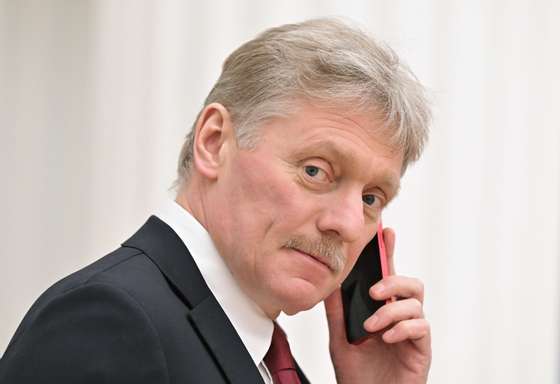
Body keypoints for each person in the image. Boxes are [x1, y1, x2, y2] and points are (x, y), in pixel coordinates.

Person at [0, 18, 431, 383]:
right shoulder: (107, 322)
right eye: (315, 171)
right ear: (213, 142)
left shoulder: (260, 353)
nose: (349, 224)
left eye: (372, 197)